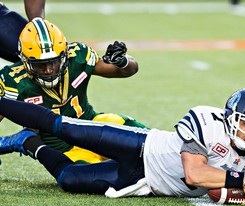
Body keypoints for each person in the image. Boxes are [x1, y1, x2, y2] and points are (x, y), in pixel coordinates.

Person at [0, 88, 245, 205]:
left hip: (144, 182)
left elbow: (215, 188)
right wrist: (242, 180)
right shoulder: (207, 121)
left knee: (68, 179)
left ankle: (28, 142)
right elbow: (194, 174)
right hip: (140, 147)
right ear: (230, 118)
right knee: (64, 127)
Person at [0, 17, 147, 164]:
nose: (49, 70)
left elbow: (128, 70)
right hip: (65, 148)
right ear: (25, 62)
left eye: (54, 62)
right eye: (41, 65)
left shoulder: (77, 56)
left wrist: (122, 61)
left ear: (65, 54)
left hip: (92, 125)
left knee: (143, 139)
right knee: (94, 177)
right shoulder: (13, 80)